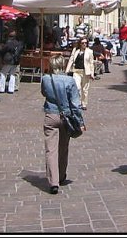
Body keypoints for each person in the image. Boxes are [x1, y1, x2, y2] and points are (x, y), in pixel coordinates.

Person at [41, 54, 85, 194]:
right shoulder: (69, 80)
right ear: (62, 65)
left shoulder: (46, 79)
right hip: (66, 116)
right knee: (63, 147)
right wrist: (80, 121)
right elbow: (75, 104)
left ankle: (53, 182)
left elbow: (44, 93)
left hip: (51, 115)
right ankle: (61, 175)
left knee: (51, 149)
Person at [67, 37, 95, 109]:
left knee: (85, 89)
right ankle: (78, 102)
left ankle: (84, 103)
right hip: (76, 71)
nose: (84, 44)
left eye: (86, 43)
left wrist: (92, 73)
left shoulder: (90, 51)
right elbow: (71, 60)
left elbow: (91, 63)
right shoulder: (76, 50)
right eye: (83, 43)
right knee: (77, 87)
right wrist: (67, 70)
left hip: (86, 72)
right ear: (80, 43)